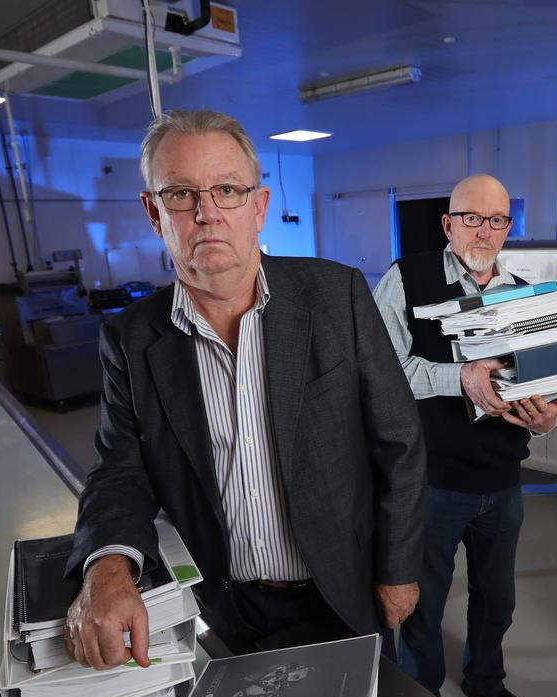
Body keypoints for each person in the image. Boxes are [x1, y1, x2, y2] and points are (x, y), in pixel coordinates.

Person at [63, 108, 427, 668]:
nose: (206, 213)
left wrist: (399, 570)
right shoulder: (131, 338)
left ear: (258, 207)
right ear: (153, 212)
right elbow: (120, 468)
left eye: (227, 190)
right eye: (181, 194)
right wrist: (106, 565)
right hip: (221, 605)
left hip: (342, 589)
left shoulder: (338, 297)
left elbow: (399, 441)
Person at [373, 174, 557, 697]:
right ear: (448, 223)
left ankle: (486, 680)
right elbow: (382, 373)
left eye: (497, 220)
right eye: (471, 218)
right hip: (430, 480)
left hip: (503, 480)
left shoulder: (527, 290)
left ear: (509, 225)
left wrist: (550, 415)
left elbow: (547, 378)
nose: (484, 231)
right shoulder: (406, 279)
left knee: (496, 601)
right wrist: (459, 378)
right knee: (422, 604)